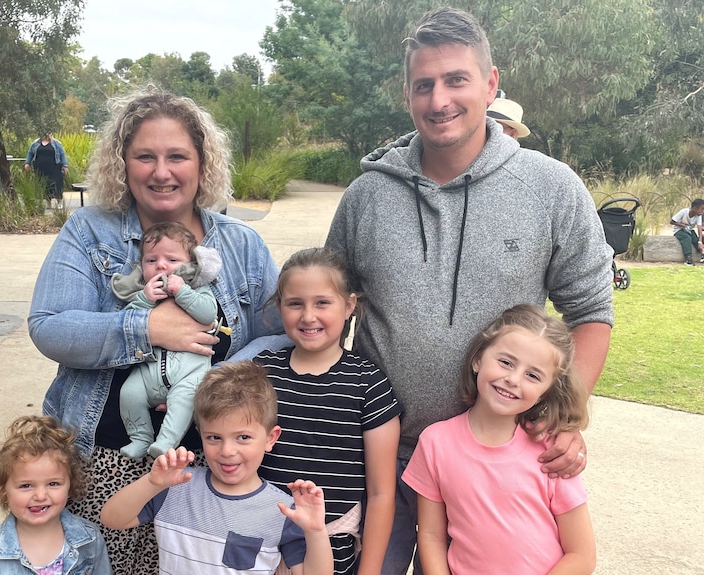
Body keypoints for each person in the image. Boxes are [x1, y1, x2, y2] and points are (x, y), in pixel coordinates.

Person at [324, 7, 614, 574]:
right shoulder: (366, 196)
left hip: (491, 462)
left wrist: (564, 416)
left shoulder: (551, 189)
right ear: (407, 94)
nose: (439, 100)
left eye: (456, 80)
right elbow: (325, 311)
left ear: (490, 83)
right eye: (423, 85)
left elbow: (592, 310)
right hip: (375, 455)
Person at [28, 86, 287, 575]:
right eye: (145, 156)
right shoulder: (89, 232)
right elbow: (50, 327)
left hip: (215, 472)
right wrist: (146, 326)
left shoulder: (241, 245)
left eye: (177, 156)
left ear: (203, 165)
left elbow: (283, 334)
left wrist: (222, 371)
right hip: (108, 465)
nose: (161, 171)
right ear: (122, 164)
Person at [403, 304, 596, 575]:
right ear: (478, 359)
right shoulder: (435, 442)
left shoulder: (552, 450)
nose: (513, 379)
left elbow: (582, 555)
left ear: (545, 392)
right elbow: (431, 536)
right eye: (506, 362)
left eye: (533, 375)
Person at [100, 361, 334, 575]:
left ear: (270, 438)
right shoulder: (176, 486)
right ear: (200, 434)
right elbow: (112, 519)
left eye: (243, 437)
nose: (227, 451)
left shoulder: (283, 510)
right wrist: (152, 483)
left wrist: (315, 531)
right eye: (214, 437)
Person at [254, 247, 402, 575]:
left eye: (322, 302)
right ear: (279, 306)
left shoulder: (369, 385)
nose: (308, 316)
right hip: (257, 545)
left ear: (349, 305)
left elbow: (380, 493)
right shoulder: (260, 374)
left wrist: (369, 571)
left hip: (333, 553)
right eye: (295, 303)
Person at [110, 221, 220, 460]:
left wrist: (183, 292)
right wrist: (146, 299)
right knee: (129, 393)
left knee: (184, 401)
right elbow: (126, 323)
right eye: (151, 261)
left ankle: (166, 441)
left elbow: (208, 314)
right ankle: (140, 438)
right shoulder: (143, 293)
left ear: (189, 265)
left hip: (188, 373)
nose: (160, 265)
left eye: (171, 260)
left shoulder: (197, 288)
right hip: (148, 372)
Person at [0, 415, 111, 575]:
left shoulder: (90, 540)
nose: (41, 496)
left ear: (70, 485)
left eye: (53, 484)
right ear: (2, 490)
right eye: (26, 486)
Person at [24, 132, 69, 201]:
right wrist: (27, 163)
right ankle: (48, 201)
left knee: (57, 185)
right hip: (40, 168)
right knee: (44, 185)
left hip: (54, 168)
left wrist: (65, 165)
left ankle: (59, 201)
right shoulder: (35, 143)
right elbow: (30, 153)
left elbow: (62, 154)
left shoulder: (56, 143)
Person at [669, 198, 704, 266]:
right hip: (679, 230)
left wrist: (700, 242)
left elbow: (699, 228)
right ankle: (688, 258)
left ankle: (702, 253)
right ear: (694, 209)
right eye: (701, 209)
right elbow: (672, 221)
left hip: (689, 230)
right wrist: (683, 225)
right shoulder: (684, 212)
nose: (703, 211)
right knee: (687, 238)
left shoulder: (698, 216)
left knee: (695, 239)